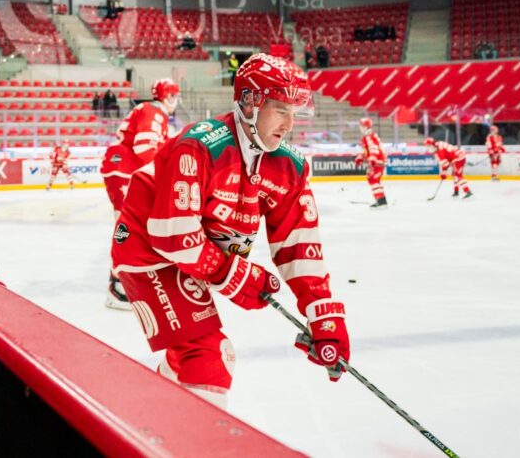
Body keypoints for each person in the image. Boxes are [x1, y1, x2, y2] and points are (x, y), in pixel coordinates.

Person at [110, 53, 350, 409]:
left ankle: (150, 414)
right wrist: (234, 274)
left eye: (294, 113)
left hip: (195, 257)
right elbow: (172, 234)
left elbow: (299, 244)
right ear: (251, 102)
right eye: (281, 110)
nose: (289, 124)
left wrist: (324, 313)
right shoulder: (203, 144)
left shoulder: (288, 165)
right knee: (208, 357)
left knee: (195, 358)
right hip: (149, 251)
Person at [100, 78, 179, 309]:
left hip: (122, 168)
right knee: (128, 228)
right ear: (169, 96)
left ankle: (125, 282)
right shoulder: (155, 112)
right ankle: (118, 288)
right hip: (124, 169)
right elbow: (144, 147)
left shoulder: (150, 110)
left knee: (132, 227)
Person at [354, 117, 387, 207]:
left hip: (378, 161)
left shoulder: (370, 137)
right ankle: (381, 199)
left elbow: (374, 149)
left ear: (365, 127)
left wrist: (372, 159)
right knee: (373, 179)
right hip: (377, 161)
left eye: (361, 126)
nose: (360, 128)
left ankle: (381, 200)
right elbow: (366, 151)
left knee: (373, 179)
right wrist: (360, 157)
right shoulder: (367, 137)